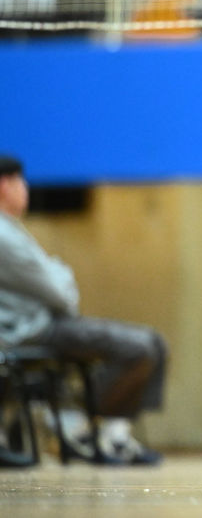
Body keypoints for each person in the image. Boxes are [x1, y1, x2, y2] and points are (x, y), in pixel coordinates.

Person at [0, 155, 166, 465]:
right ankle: (78, 426)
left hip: (44, 322)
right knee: (140, 346)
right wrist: (61, 273)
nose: (26, 190)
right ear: (4, 186)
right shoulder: (3, 236)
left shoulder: (12, 230)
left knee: (154, 342)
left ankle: (105, 431)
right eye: (21, 183)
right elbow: (60, 293)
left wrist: (57, 275)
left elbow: (53, 282)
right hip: (32, 330)